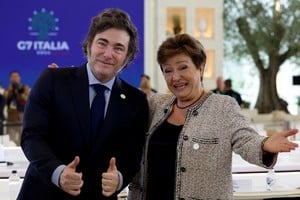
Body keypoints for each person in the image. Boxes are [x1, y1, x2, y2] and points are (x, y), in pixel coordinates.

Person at [126, 33, 298, 200]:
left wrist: (264, 144)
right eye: (168, 70)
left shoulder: (223, 106)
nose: (175, 77)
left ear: (200, 68)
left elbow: (245, 139)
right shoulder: (156, 104)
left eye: (183, 67)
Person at [18, 8, 149, 200]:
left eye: (118, 48)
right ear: (88, 45)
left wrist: (120, 179)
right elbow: (31, 136)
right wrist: (58, 172)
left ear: (128, 57)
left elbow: (133, 156)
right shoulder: (53, 80)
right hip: (43, 193)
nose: (108, 53)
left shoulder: (136, 101)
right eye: (102, 43)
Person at [3, 71, 30, 144]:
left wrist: (19, 92)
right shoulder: (7, 89)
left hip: (22, 115)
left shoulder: (24, 88)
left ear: (19, 78)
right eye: (13, 76)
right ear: (10, 78)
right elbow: (5, 97)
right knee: (11, 139)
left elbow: (27, 98)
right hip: (11, 117)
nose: (15, 78)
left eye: (16, 76)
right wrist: (11, 91)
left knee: (23, 137)